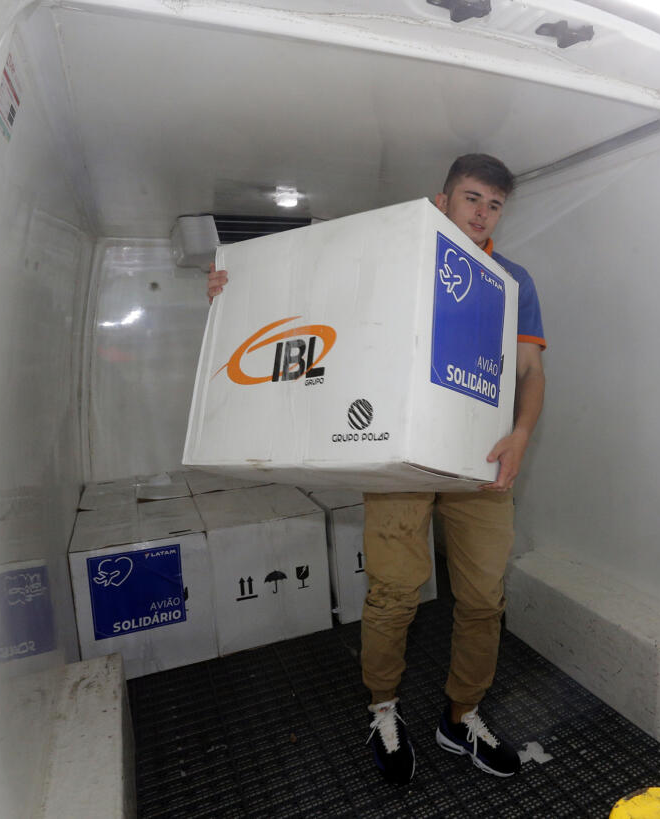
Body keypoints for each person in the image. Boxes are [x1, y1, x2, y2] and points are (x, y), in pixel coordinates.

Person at [206, 154, 546, 785]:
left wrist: (521, 435)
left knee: (483, 598)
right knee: (394, 592)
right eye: (471, 198)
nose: (481, 214)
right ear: (442, 201)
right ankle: (383, 709)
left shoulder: (512, 282)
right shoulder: (396, 255)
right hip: (399, 458)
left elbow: (528, 370)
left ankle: (462, 716)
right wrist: (238, 291)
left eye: (494, 205)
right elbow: (308, 298)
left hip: (480, 461)